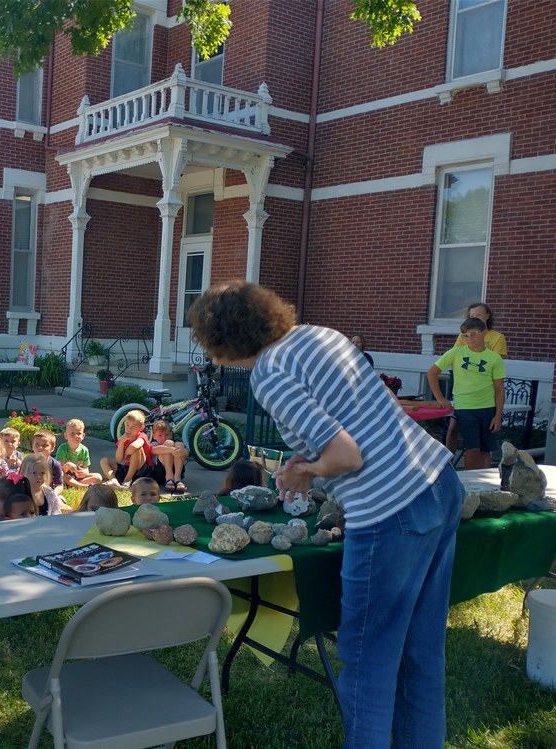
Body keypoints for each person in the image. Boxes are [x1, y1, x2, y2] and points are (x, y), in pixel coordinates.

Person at [187, 279, 462, 749]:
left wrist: (306, 472)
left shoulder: (269, 374)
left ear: (223, 339)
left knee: (366, 659)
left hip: (390, 509)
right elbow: (364, 418)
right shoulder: (320, 335)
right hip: (437, 481)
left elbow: (348, 455)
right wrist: (313, 466)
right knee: (420, 652)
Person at [428, 317, 505, 470]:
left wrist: (498, 415)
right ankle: (471, 483)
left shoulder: (494, 358)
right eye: (465, 336)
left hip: (487, 408)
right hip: (465, 408)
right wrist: (440, 398)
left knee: (485, 449)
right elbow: (432, 373)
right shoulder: (455, 353)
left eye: (474, 334)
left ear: (484, 333)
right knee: (473, 448)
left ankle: (485, 484)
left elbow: (499, 389)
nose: (470, 339)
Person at [445, 302, 508, 451]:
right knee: (453, 427)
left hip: (485, 393)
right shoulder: (464, 336)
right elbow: (455, 358)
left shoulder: (497, 338)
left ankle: (481, 464)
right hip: (464, 390)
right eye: (472, 316)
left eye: (479, 315)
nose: (475, 318)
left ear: (487, 316)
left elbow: (493, 365)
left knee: (484, 435)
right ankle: (449, 460)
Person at [99, 410, 154, 488]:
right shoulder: (123, 438)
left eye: (133, 426)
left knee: (137, 450)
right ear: (124, 424)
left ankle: (127, 480)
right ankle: (114, 481)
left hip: (142, 471)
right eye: (127, 425)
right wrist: (122, 442)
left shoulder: (142, 436)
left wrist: (125, 454)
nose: (129, 429)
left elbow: (134, 447)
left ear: (141, 428)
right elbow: (118, 458)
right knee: (104, 461)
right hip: (128, 469)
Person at [55, 419, 103, 488]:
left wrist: (84, 473)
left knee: (98, 477)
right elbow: (59, 470)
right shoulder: (62, 448)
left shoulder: (84, 450)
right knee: (61, 474)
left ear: (83, 436)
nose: (76, 436)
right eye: (72, 433)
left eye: (79, 433)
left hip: (77, 477)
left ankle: (75, 485)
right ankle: (81, 486)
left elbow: (86, 469)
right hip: (65, 477)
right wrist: (68, 465)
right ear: (66, 436)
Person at [149, 420, 188, 493]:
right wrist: (170, 449)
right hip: (160, 474)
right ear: (154, 436)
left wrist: (181, 451)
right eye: (160, 435)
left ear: (171, 434)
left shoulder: (175, 444)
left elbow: (187, 454)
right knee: (168, 444)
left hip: (176, 471)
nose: (163, 438)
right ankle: (169, 477)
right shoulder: (154, 444)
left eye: (166, 435)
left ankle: (177, 479)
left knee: (179, 445)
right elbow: (153, 450)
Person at [30, 430, 65, 496]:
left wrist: (52, 494)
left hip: (48, 493)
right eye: (37, 445)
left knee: (60, 502)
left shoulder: (55, 465)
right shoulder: (28, 462)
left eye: (44, 445)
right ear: (32, 446)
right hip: (31, 493)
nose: (40, 448)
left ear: (52, 448)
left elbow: (59, 485)